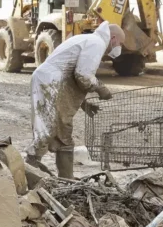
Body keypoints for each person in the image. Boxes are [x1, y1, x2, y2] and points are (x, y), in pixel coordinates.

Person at [26, 21, 126, 178]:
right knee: (47, 130)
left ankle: (66, 178)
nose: (120, 47)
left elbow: (73, 75)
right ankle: (30, 164)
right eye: (121, 43)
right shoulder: (97, 43)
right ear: (113, 38)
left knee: (64, 134)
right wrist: (101, 88)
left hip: (52, 82)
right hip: (50, 83)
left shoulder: (88, 39)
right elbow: (83, 75)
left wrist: (83, 104)